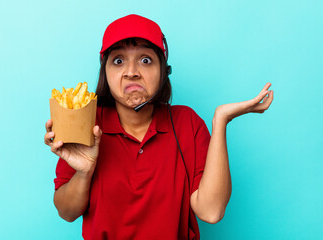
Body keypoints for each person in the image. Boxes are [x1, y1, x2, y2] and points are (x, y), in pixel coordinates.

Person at [44, 14, 274, 240]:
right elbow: (67, 212)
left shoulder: (187, 123)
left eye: (145, 60)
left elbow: (211, 212)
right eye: (118, 60)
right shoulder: (86, 122)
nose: (131, 71)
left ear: (164, 71)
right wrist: (84, 174)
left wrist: (221, 120)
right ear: (105, 72)